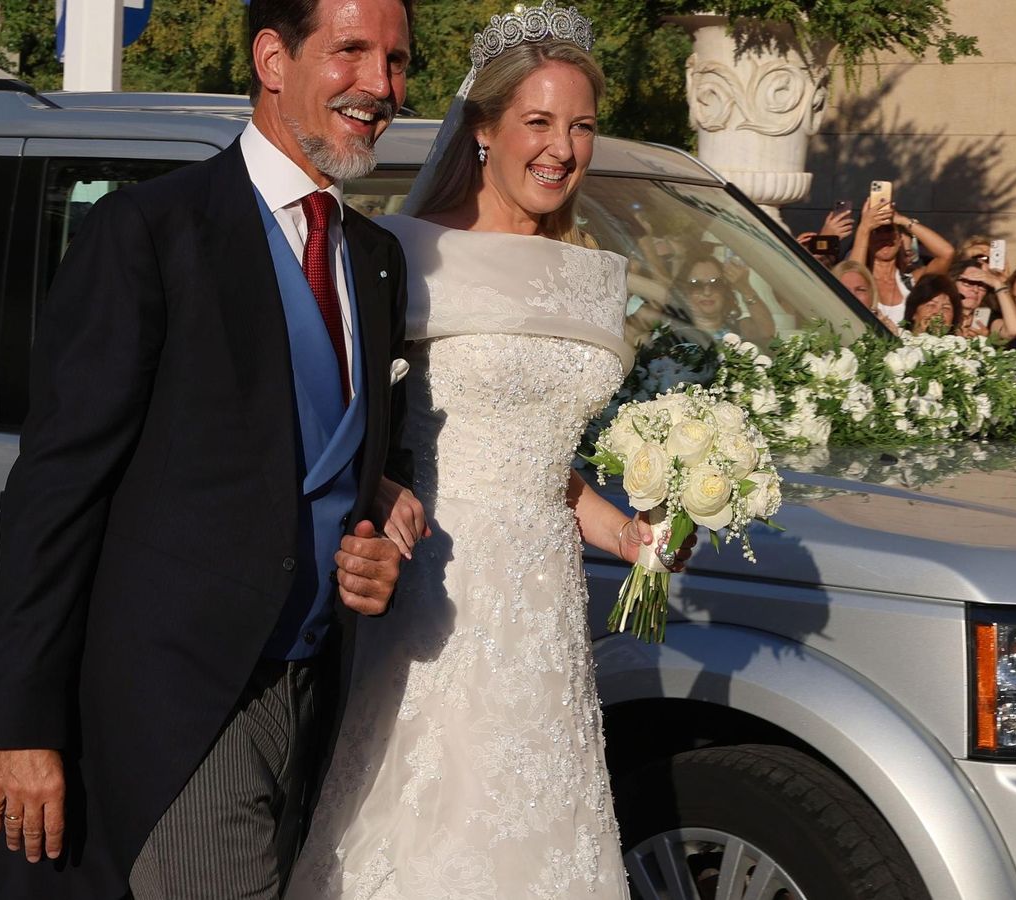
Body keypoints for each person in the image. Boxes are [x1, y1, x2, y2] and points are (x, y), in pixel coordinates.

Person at [0, 1, 415, 897]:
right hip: (175, 706)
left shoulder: (373, 259)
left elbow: (337, 461)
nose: (381, 85)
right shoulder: (150, 232)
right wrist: (20, 725)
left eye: (398, 60)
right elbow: (54, 495)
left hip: (316, 699)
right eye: (352, 52)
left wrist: (376, 533)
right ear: (271, 57)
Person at [283, 9, 684, 897]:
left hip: (545, 604)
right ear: (483, 130)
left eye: (579, 126)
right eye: (538, 122)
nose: (561, 148)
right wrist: (379, 486)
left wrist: (627, 534)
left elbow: (539, 452)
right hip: (430, 584)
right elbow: (344, 418)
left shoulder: (592, 274)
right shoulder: (406, 255)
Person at [849, 190, 955, 308]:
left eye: (889, 230)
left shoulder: (912, 283)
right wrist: (864, 227)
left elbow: (947, 253)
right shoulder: (860, 283)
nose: (884, 237)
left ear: (900, 239)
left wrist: (902, 220)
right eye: (876, 231)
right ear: (866, 238)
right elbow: (851, 279)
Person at [680, 253, 776, 345]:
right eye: (696, 285)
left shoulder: (739, 329)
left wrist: (745, 288)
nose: (707, 292)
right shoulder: (674, 334)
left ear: (725, 290)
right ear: (685, 290)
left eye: (716, 284)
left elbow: (767, 332)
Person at [951, 258, 1016, 341]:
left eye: (981, 285)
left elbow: (1014, 331)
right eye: (968, 283)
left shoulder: (986, 317)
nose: (975, 290)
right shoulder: (941, 312)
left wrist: (998, 284)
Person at [832, 258, 899, 330]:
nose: (852, 296)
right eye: (844, 290)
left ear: (871, 294)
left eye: (860, 290)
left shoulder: (894, 332)